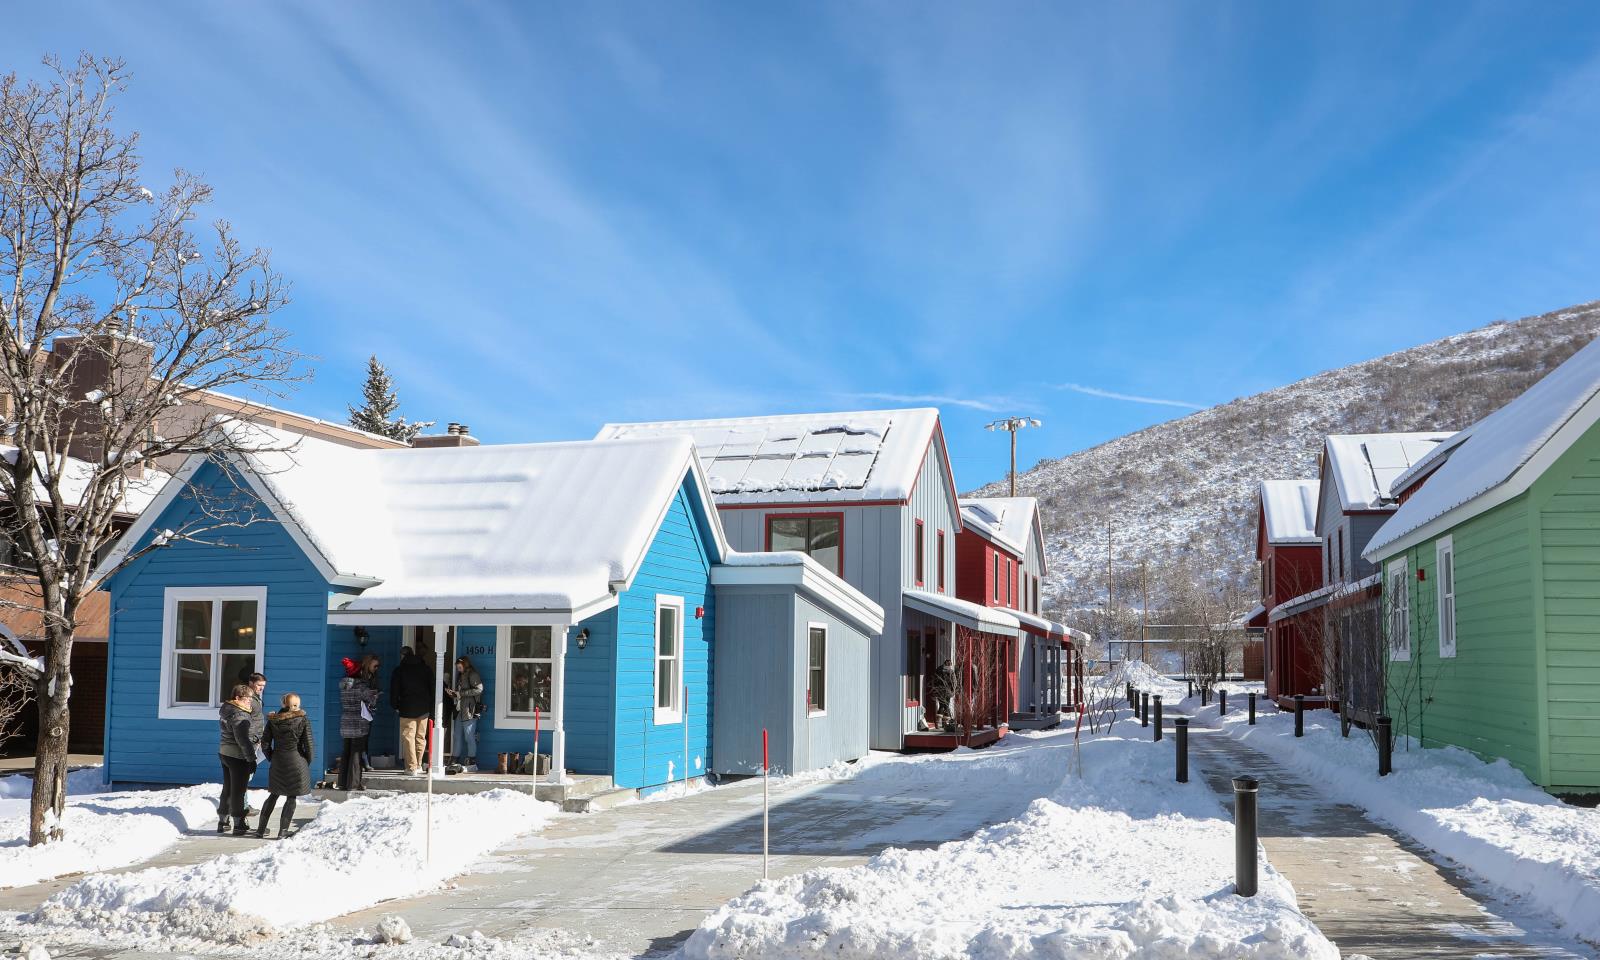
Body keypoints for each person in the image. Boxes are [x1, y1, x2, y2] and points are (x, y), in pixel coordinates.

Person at [257, 692, 314, 839]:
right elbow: (309, 745)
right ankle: (283, 831)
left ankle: (260, 830)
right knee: (291, 796)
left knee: (274, 794)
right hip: (297, 760)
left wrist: (272, 757)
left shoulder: (273, 719)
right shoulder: (302, 719)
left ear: (283, 704)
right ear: (297, 705)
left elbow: (265, 743)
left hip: (278, 760)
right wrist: (307, 761)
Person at [217, 683, 256, 836]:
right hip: (237, 755)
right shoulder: (239, 714)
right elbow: (242, 740)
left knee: (227, 788)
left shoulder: (227, 709)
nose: (250, 702)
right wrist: (251, 758)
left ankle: (223, 821)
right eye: (247, 699)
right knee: (239, 790)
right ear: (238, 698)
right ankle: (239, 824)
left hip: (225, 752)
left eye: (251, 699)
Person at [336, 655, 380, 791]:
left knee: (346, 752)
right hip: (358, 724)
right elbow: (371, 700)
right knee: (356, 753)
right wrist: (375, 697)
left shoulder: (344, 686)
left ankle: (342, 783)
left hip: (345, 722)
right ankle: (354, 784)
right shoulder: (361, 687)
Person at [389, 646, 434, 775]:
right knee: (420, 737)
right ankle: (418, 765)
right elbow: (432, 688)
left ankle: (411, 767)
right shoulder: (426, 669)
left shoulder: (399, 670)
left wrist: (395, 705)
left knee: (409, 737)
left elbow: (394, 690)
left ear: (403, 656)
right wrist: (431, 707)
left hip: (407, 707)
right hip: (424, 708)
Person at [446, 655, 483, 771]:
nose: (458, 669)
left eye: (459, 667)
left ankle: (471, 759)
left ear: (465, 665)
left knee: (469, 736)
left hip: (469, 710)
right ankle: (455, 758)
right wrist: (454, 694)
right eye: (457, 667)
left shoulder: (473, 674)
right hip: (459, 709)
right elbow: (460, 693)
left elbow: (479, 689)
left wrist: (461, 693)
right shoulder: (460, 676)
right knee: (457, 736)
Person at [933, 658, 957, 724]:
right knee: (946, 705)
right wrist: (953, 690)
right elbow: (954, 682)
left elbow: (934, 680)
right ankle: (945, 722)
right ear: (949, 665)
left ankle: (937, 722)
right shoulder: (951, 671)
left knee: (941, 705)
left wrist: (935, 689)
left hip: (939, 690)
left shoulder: (938, 670)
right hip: (947, 691)